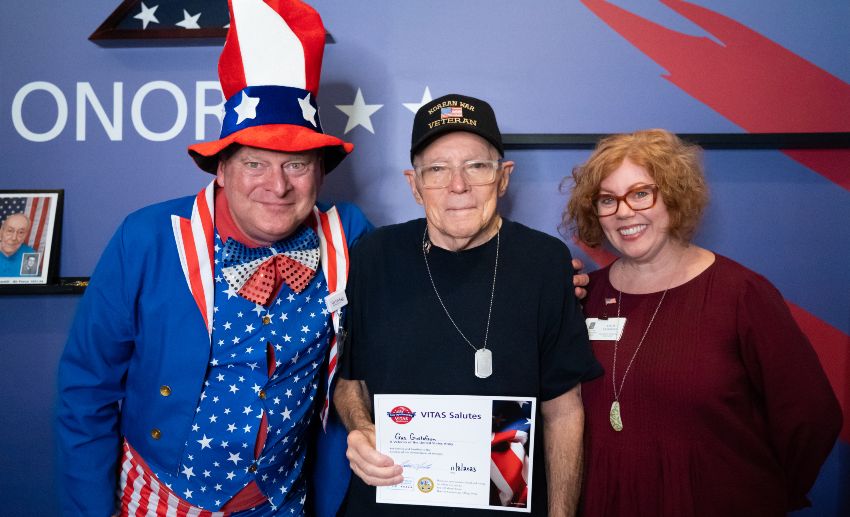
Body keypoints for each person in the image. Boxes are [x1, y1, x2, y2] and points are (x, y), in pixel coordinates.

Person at [57, 1, 369, 515]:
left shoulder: (348, 234)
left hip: (283, 501)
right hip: (157, 496)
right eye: (254, 163)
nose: (277, 185)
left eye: (297, 164)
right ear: (220, 169)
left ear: (320, 172)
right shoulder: (148, 238)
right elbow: (85, 391)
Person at [334, 93, 602, 517]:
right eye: (437, 170)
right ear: (414, 185)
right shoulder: (374, 256)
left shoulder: (545, 262)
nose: (458, 186)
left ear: (503, 177)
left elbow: (564, 410)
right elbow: (350, 382)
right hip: (390, 502)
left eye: (476, 166)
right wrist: (361, 427)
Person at [563, 129, 842, 516]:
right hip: (606, 502)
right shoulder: (583, 297)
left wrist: (759, 491)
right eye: (608, 199)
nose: (625, 211)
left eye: (641, 193)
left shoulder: (741, 293)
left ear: (674, 197)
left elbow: (810, 416)